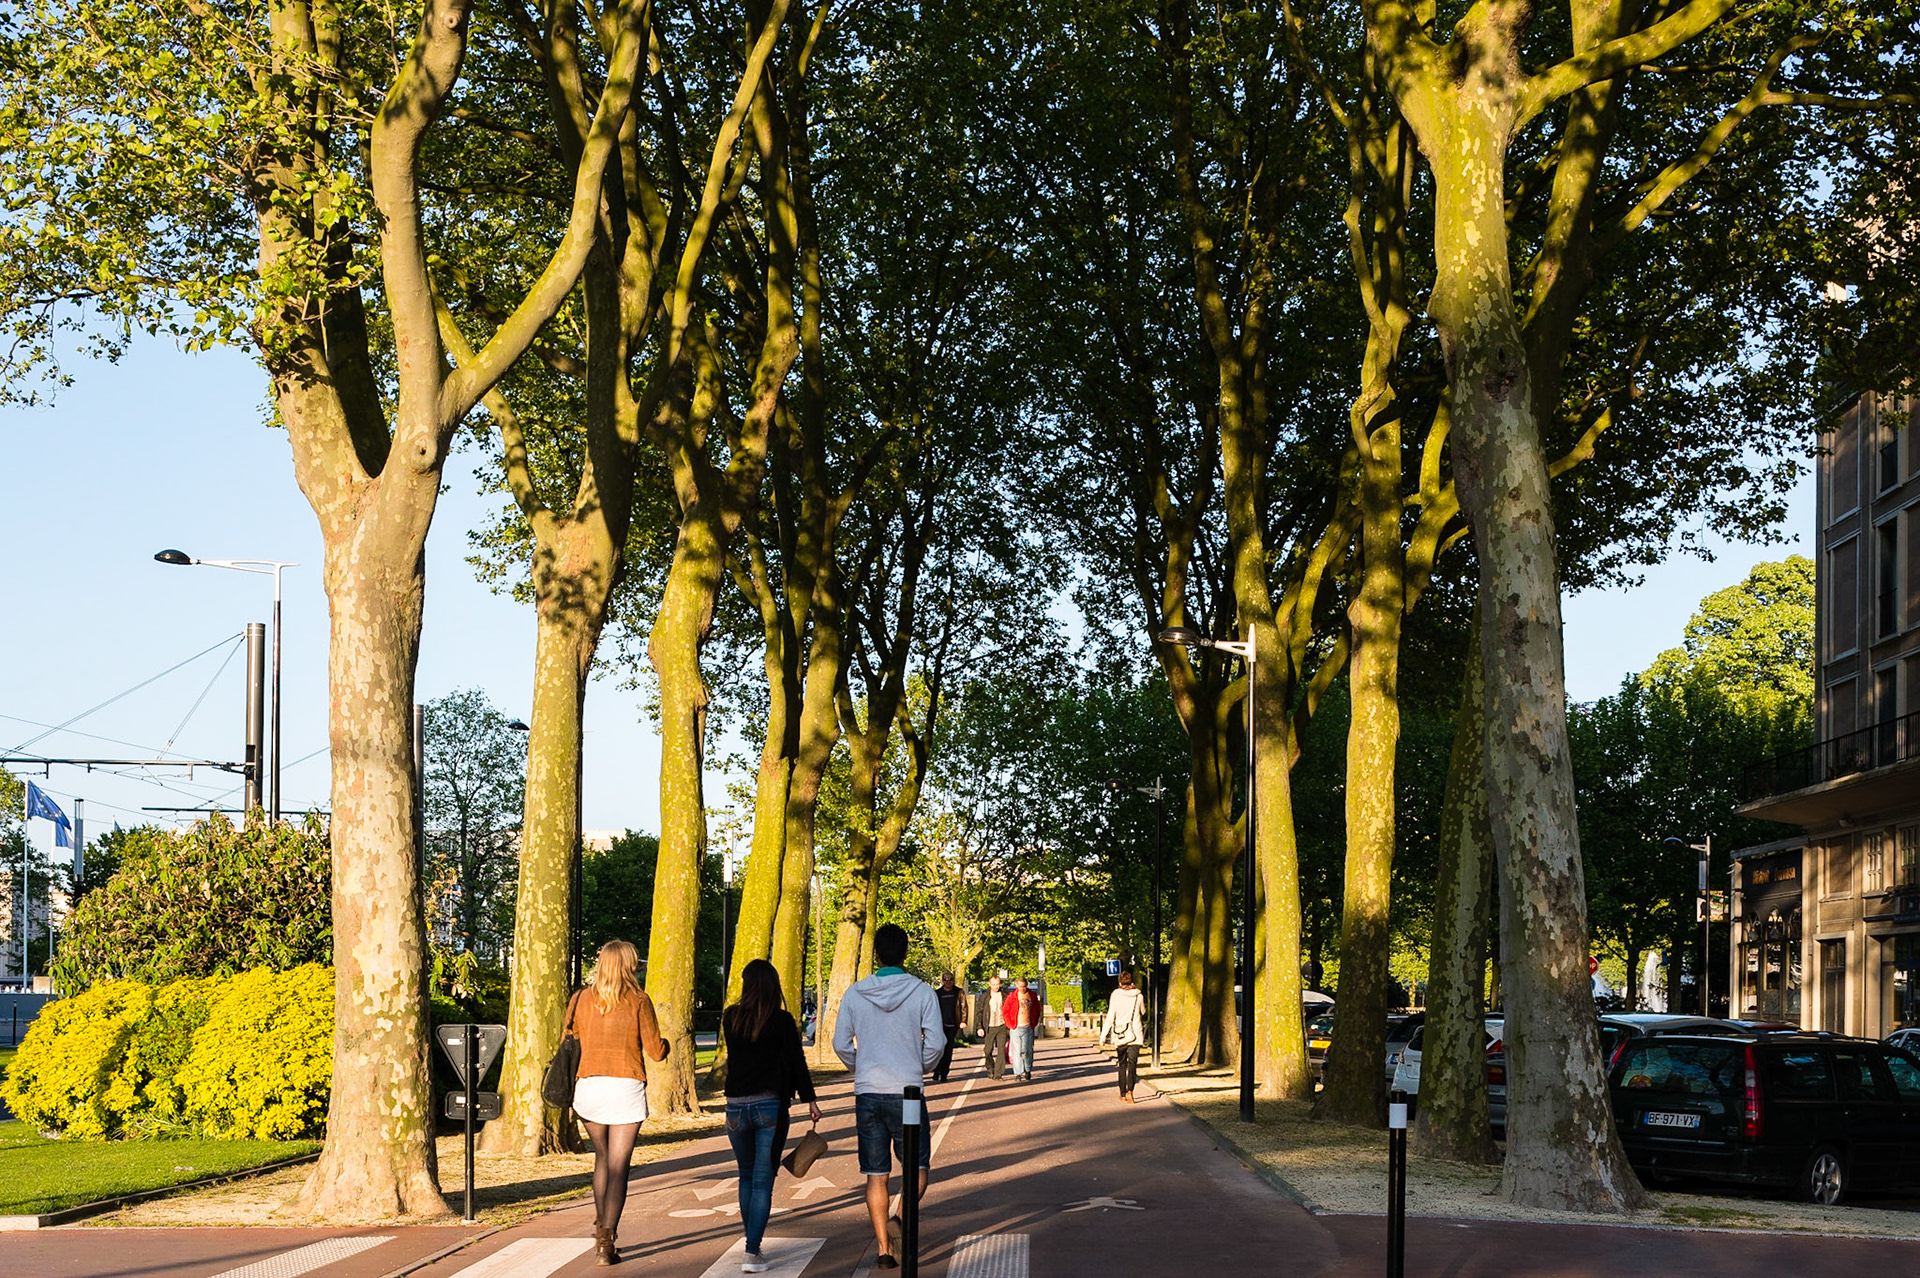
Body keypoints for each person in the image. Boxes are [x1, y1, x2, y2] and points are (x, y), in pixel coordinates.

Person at [833, 923, 946, 1270]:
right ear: (906, 953)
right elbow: (937, 1043)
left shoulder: (854, 993)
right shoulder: (923, 993)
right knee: (918, 1166)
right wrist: (919, 1066)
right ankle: (900, 1217)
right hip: (908, 1094)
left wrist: (862, 1065)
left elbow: (840, 1043)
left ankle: (884, 1249)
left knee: (875, 1173)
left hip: (868, 1092)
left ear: (876, 955)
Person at [570, 939, 671, 1266]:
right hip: (625, 1086)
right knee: (619, 1166)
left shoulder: (580, 999)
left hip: (589, 1086)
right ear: (628, 966)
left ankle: (601, 1232)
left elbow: (569, 1041)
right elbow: (655, 1051)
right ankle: (607, 1240)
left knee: (602, 1159)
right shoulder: (639, 1001)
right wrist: (667, 1044)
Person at [723, 959, 822, 1273]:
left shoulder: (730, 1018)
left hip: (735, 1106)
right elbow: (796, 1061)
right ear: (773, 985)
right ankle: (752, 1251)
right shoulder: (781, 1020)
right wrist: (810, 1099)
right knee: (763, 1183)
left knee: (746, 1176)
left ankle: (751, 1243)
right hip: (769, 1106)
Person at [1099, 970, 1147, 1102]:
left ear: (1120, 982)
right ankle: (1131, 1090)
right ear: (1132, 982)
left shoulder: (1115, 995)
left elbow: (1110, 1016)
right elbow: (1143, 1011)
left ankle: (1122, 1092)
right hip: (1135, 1034)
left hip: (1120, 1035)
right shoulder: (1139, 996)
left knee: (1122, 1065)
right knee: (1132, 1065)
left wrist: (1103, 1036)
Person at [1003, 977, 1042, 1082]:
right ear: (1017, 985)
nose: (1022, 988)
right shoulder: (1012, 997)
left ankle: (1028, 1069)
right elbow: (1005, 1010)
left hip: (1028, 1026)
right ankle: (1018, 1073)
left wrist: (1034, 1022)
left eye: (1024, 986)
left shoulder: (1032, 995)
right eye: (1020, 986)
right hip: (1016, 1027)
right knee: (1017, 1051)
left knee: (1028, 1050)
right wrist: (1009, 1024)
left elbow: (1037, 1009)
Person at [932, 972, 967, 1082]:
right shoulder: (937, 993)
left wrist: (963, 1020)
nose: (948, 982)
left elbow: (963, 1007)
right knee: (938, 1049)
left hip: (952, 1024)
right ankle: (936, 1070)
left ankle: (944, 1073)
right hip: (939, 1025)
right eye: (946, 979)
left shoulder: (959, 992)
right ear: (942, 981)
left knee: (948, 1050)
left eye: (950, 979)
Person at [978, 974, 1009, 1080]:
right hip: (989, 1027)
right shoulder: (984, 997)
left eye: (997, 984)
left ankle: (998, 1073)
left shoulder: (1004, 996)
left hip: (1002, 1025)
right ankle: (990, 1068)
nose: (996, 986)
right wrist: (979, 1027)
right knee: (988, 1050)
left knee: (1001, 1050)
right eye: (994, 984)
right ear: (989, 984)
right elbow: (979, 1012)